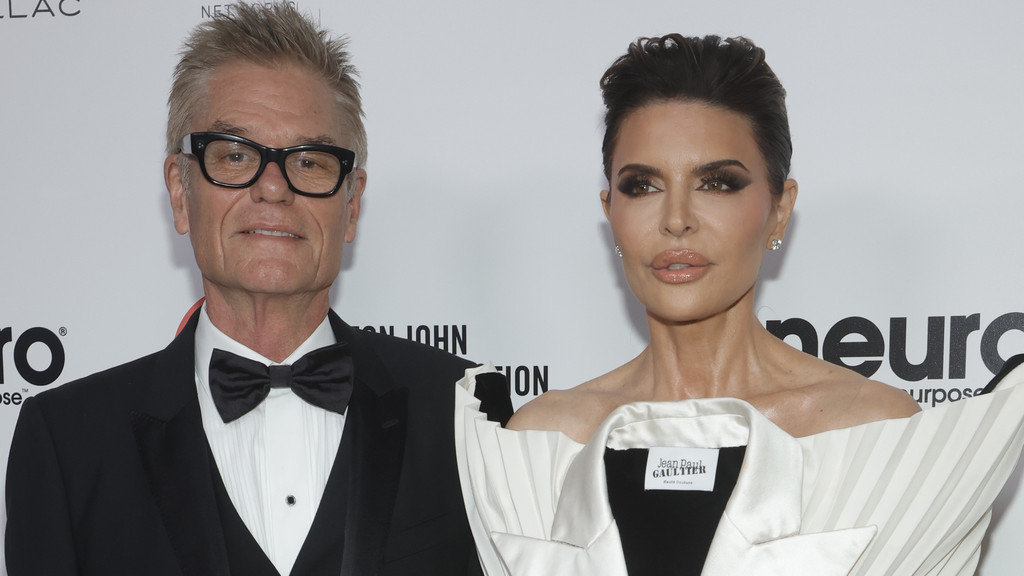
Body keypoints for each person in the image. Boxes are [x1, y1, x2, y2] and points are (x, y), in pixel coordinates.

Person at [452, 35, 1024, 576]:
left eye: (717, 183)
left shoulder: (876, 434)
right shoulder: (543, 442)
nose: (676, 218)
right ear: (610, 211)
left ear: (779, 209)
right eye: (642, 186)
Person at [4, 4, 509, 576]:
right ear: (179, 190)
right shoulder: (68, 442)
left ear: (352, 204)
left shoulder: (466, 408)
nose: (273, 187)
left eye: (311, 161)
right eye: (236, 155)